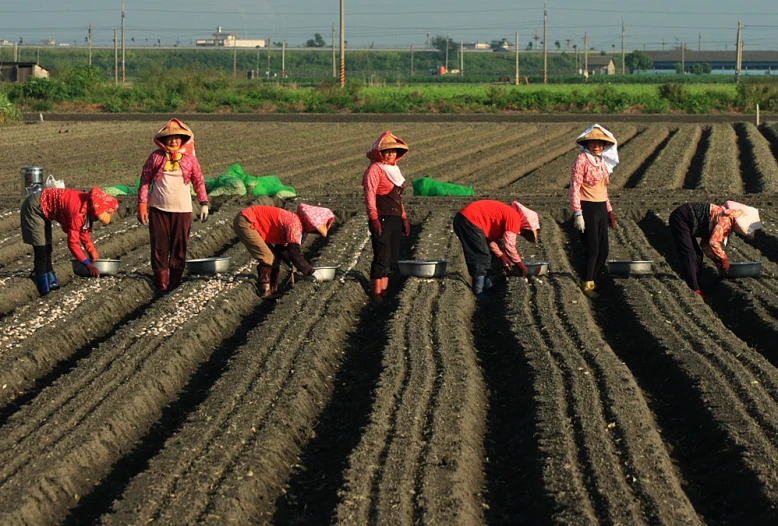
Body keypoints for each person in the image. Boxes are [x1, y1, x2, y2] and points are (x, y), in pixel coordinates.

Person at [137, 119, 209, 293]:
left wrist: (204, 203)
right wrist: (142, 205)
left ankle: (174, 283)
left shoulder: (190, 160)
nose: (173, 141)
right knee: (159, 246)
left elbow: (198, 181)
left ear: (182, 140)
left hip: (182, 210)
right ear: (163, 140)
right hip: (158, 209)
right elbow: (145, 180)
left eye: (177, 138)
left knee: (179, 246)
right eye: (170, 138)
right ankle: (161, 284)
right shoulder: (156, 157)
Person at [21, 186, 120, 295]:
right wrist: (87, 265)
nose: (95, 220)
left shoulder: (86, 206)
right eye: (96, 217)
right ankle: (44, 288)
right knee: (41, 251)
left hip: (44, 208)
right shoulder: (77, 212)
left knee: (48, 248)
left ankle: (52, 284)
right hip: (35, 208)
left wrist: (93, 254)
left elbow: (83, 232)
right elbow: (72, 244)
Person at [233, 203, 336, 298]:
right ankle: (264, 289)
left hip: (251, 221)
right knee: (267, 256)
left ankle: (273, 290)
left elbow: (282, 250)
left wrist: (295, 266)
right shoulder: (294, 224)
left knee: (274, 257)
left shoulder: (295, 222)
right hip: (247, 221)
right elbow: (294, 252)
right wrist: (310, 271)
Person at [669, 201, 763, 297]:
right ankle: (695, 289)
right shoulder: (726, 220)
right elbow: (714, 242)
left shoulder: (723, 218)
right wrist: (723, 258)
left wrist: (715, 258)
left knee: (698, 255)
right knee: (690, 255)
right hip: (682, 218)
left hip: (685, 219)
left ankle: (697, 284)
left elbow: (705, 244)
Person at [570, 124, 619, 297]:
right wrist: (578, 213)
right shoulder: (581, 160)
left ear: (604, 145)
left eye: (599, 143)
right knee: (593, 248)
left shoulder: (601, 161)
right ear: (587, 144)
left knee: (604, 250)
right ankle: (587, 283)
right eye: (592, 143)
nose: (596, 146)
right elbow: (575, 187)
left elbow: (603, 189)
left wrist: (610, 211)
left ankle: (593, 279)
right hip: (587, 206)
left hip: (600, 207)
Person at [453, 200, 540, 298]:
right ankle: (479, 291)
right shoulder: (515, 219)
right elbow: (509, 246)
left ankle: (488, 289)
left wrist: (502, 256)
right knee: (480, 256)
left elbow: (489, 241)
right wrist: (521, 265)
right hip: (469, 219)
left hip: (466, 219)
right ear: (526, 226)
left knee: (488, 254)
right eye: (524, 232)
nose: (521, 233)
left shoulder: (508, 216)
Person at [362, 131, 411, 303]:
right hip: (382, 216)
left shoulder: (394, 170)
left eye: (393, 151)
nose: (390, 154)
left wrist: (403, 217)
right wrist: (374, 218)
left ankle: (385, 290)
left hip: (395, 217)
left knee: (393, 257)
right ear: (380, 153)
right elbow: (369, 195)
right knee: (382, 255)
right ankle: (376, 293)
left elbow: (398, 198)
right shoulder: (375, 170)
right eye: (387, 151)